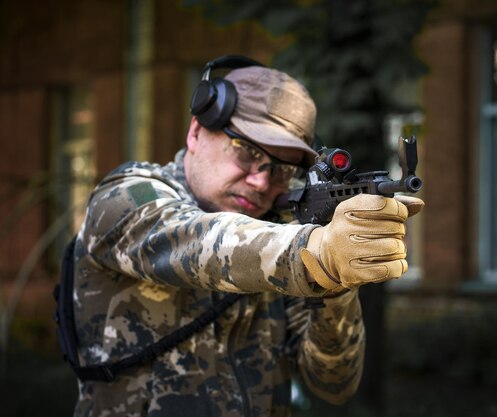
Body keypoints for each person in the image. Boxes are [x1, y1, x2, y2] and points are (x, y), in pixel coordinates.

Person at [70, 56, 424, 417]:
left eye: (282, 168)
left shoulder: (286, 229)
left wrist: (336, 283)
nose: (261, 181)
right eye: (248, 152)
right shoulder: (127, 198)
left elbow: (333, 383)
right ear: (196, 132)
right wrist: (312, 251)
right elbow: (196, 241)